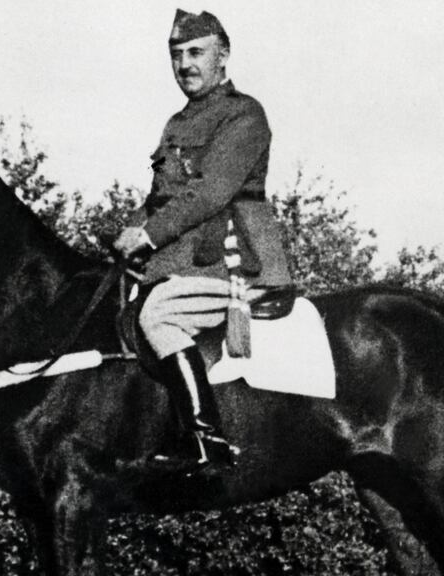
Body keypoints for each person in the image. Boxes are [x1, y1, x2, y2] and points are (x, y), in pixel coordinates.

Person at [113, 9, 293, 472]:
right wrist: (129, 236)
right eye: (177, 55)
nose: (185, 64)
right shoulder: (176, 123)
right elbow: (160, 198)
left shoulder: (244, 113)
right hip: (182, 263)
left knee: (157, 317)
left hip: (235, 261)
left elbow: (209, 193)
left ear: (223, 55)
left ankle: (205, 440)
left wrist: (148, 236)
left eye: (196, 52)